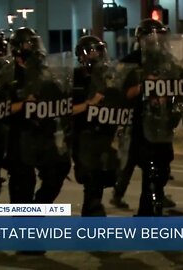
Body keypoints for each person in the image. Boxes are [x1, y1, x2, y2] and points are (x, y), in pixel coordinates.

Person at [110, 18, 177, 214]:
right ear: (142, 39)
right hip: (137, 122)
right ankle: (145, 211)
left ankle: (155, 198)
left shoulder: (167, 61)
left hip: (161, 122)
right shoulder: (130, 62)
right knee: (143, 166)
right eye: (155, 37)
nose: (159, 41)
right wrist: (143, 86)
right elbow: (120, 94)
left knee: (163, 166)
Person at [3, 28, 71, 218]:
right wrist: (24, 103)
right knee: (23, 184)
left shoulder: (45, 72)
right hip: (19, 134)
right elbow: (0, 108)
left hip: (44, 134)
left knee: (57, 173)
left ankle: (36, 212)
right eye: (28, 44)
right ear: (17, 49)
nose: (33, 48)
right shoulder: (8, 74)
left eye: (35, 43)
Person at [72, 35, 122, 216]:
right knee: (91, 180)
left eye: (98, 51)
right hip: (83, 135)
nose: (95, 56)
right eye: (91, 51)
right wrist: (89, 103)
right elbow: (64, 110)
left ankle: (92, 216)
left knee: (104, 177)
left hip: (104, 134)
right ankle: (93, 219)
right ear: (82, 55)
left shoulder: (107, 76)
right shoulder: (74, 78)